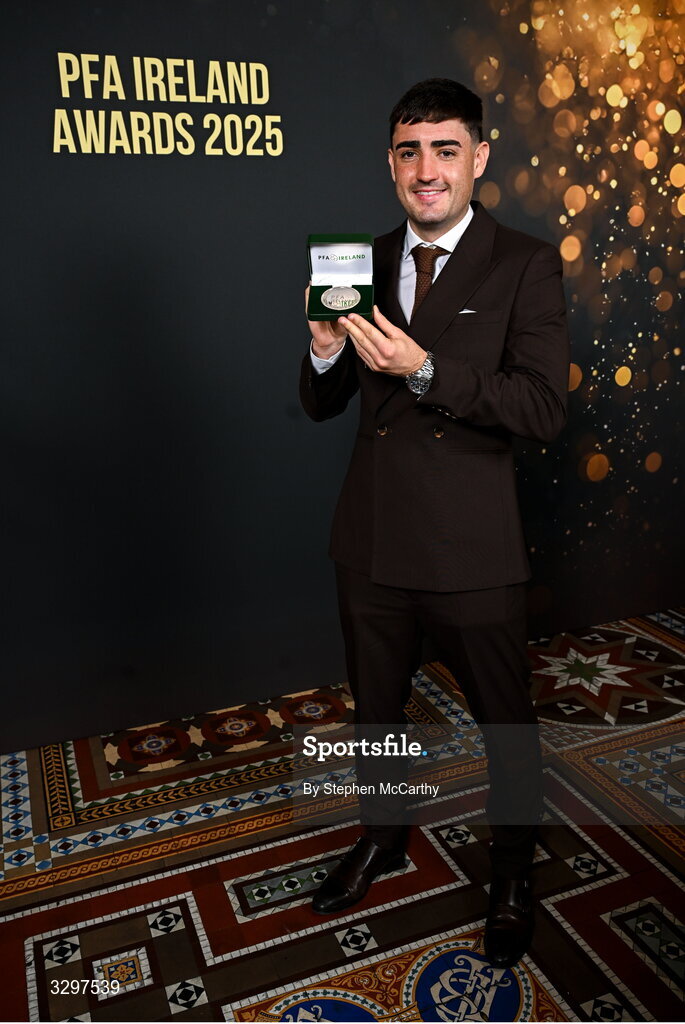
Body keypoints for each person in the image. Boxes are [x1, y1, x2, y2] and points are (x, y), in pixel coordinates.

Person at [299, 78, 569, 968]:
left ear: (478, 159)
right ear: (389, 163)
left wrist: (424, 371)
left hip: (472, 543)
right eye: (409, 151)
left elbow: (538, 409)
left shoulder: (524, 261)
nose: (426, 170)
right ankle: (381, 836)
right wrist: (323, 351)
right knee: (376, 714)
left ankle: (511, 872)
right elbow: (319, 403)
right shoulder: (358, 259)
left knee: (504, 724)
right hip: (371, 539)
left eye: (445, 150)